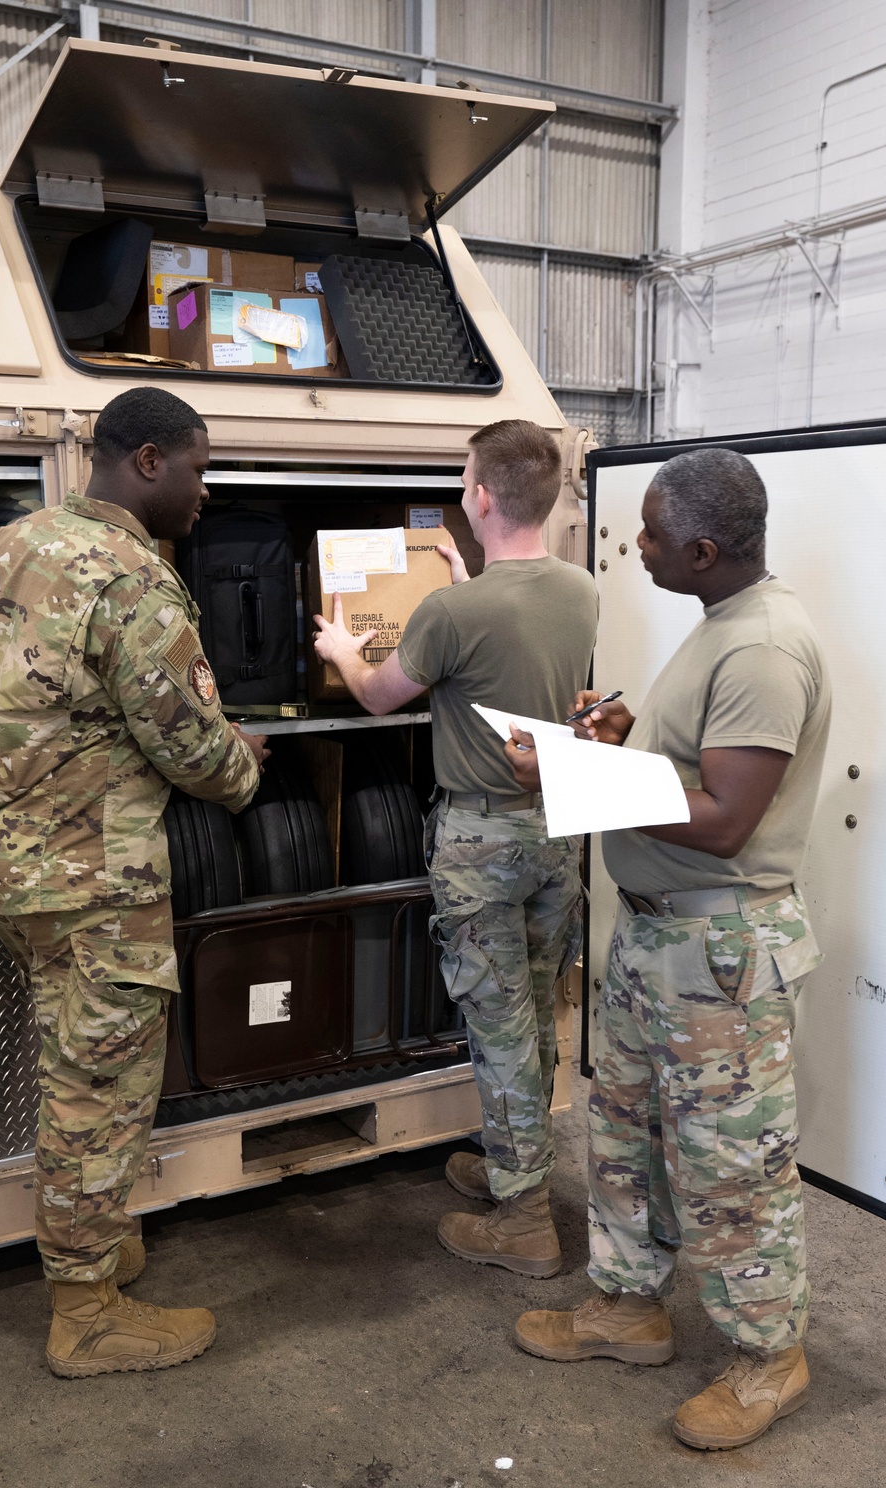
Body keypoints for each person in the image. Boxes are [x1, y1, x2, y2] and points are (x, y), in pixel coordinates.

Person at [507, 448, 830, 1451]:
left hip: (719, 953)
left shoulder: (764, 648)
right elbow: (689, 768)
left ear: (700, 546)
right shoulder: (717, 629)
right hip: (658, 939)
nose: (633, 546)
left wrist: (574, 779)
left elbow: (727, 818)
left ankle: (769, 1357)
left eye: (648, 535)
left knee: (732, 1170)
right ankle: (626, 1307)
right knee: (625, 1141)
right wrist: (617, 741)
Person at [0, 387, 267, 1378]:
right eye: (197, 469)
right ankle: (86, 1309)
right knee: (98, 1086)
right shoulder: (136, 578)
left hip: (9, 852)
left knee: (72, 1061)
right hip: (93, 872)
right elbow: (181, 736)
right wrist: (243, 764)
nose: (203, 492)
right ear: (145, 463)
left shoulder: (5, 546)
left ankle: (97, 1238)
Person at [312, 419, 598, 1278]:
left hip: (480, 841)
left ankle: (524, 1220)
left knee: (499, 1025)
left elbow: (376, 693)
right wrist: (470, 582)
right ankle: (524, 1166)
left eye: (466, 478)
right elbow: (511, 645)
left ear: (479, 496)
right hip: (556, 832)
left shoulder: (449, 612)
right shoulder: (579, 589)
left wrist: (338, 650)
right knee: (539, 1012)